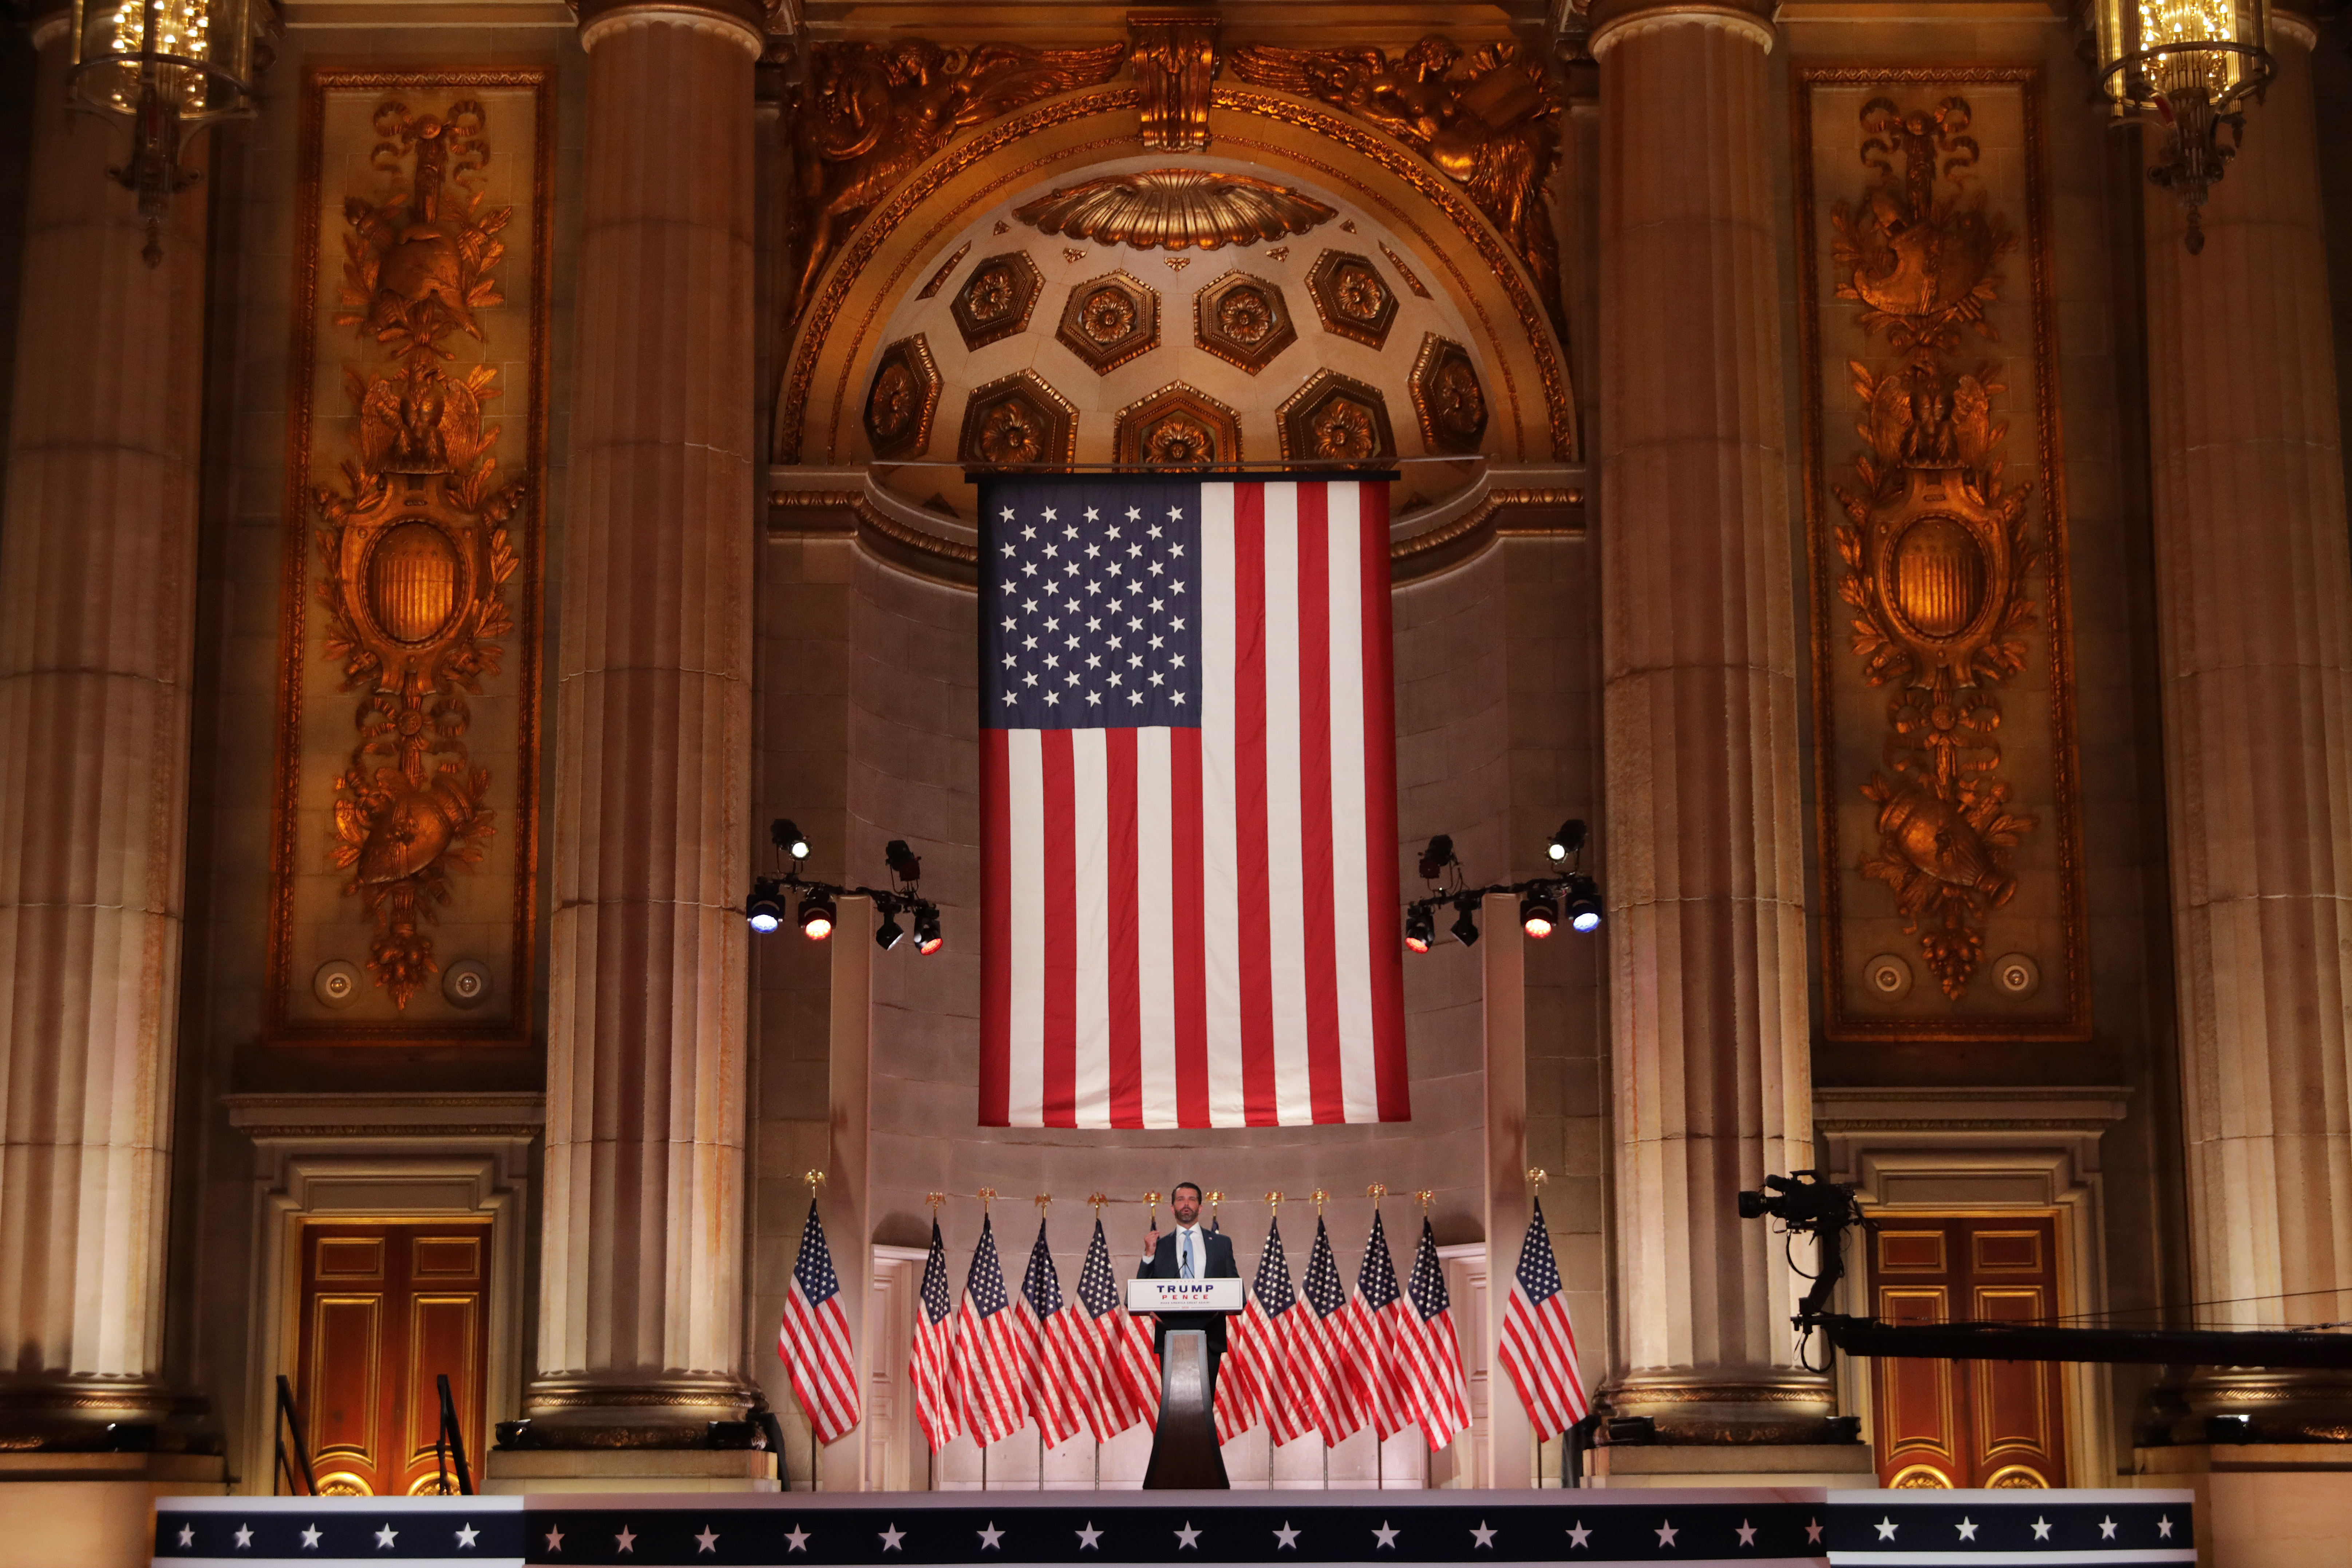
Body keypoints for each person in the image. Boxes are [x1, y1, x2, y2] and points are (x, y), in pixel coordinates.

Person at [1138, 1181, 1240, 1397]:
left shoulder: (1221, 1243)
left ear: (1200, 1208)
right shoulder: (1159, 1246)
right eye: (1181, 1199)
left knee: (1204, 1403)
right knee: (1174, 1404)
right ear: (1172, 1208)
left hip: (1209, 1335)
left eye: (1192, 1199)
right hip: (1170, 1334)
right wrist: (1148, 1255)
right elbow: (1141, 1292)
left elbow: (1235, 1289)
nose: (1186, 1204)